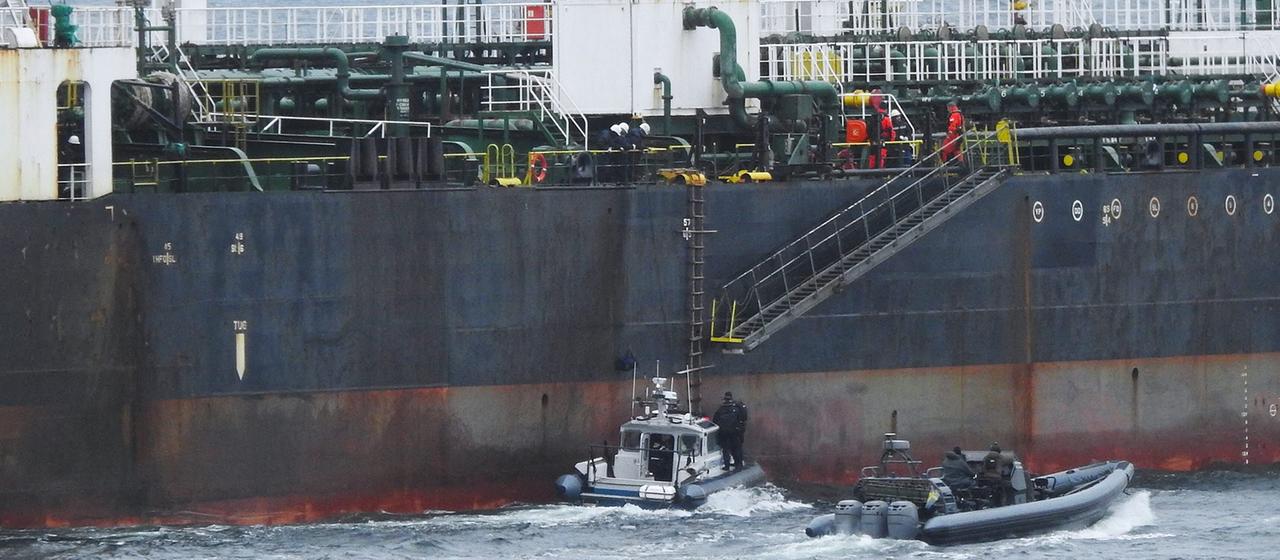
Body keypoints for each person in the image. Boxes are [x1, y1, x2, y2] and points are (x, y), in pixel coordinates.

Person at [712, 392, 744, 470]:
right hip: (735, 433)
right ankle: (738, 464)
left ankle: (727, 466)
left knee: (725, 450)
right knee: (736, 448)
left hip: (724, 433)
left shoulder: (720, 410)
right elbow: (742, 419)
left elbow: (715, 421)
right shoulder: (736, 409)